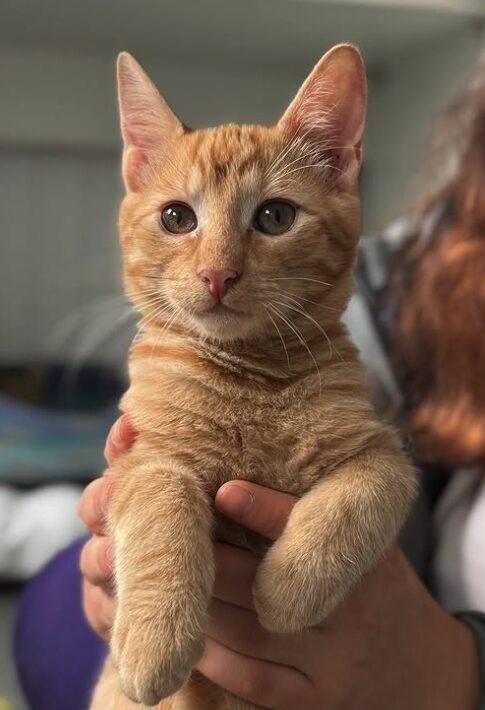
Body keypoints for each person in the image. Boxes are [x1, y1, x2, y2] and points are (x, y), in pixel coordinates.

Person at [14, 51, 485, 710]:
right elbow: (153, 472)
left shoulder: (329, 358)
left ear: (338, 169)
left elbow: (372, 463)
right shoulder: (166, 358)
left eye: (270, 218)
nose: (217, 267)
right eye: (178, 219)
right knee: (68, 584)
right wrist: (148, 533)